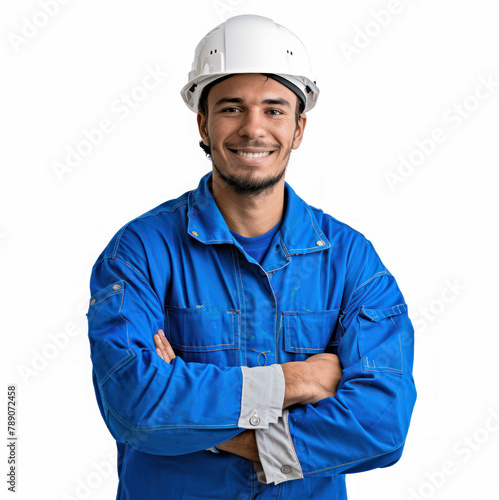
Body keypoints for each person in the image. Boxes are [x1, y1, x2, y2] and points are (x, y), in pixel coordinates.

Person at [86, 14, 416, 499]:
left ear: (299, 128)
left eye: (275, 110)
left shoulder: (350, 260)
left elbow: (382, 424)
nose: (253, 128)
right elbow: (133, 403)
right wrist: (297, 381)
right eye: (232, 108)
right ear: (203, 122)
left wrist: (223, 435)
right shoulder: (140, 252)